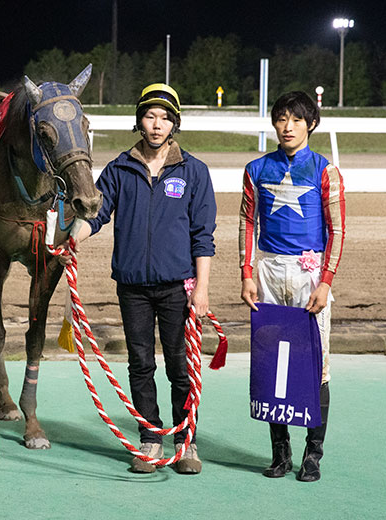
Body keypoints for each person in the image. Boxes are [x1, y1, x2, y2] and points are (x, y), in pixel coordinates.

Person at [67, 83, 217, 474]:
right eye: (150, 116)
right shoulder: (119, 169)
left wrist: (201, 289)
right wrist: (74, 237)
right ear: (139, 120)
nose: (156, 125)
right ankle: (150, 438)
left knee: (179, 366)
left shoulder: (194, 171)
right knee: (140, 364)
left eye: (165, 118)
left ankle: (186, 442)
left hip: (177, 287)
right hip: (132, 287)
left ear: (174, 124)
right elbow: (96, 215)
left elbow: (203, 236)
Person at [239, 90, 345, 482]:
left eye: (297, 119)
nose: (288, 126)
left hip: (309, 276)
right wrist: (247, 273)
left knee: (317, 366)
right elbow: (247, 222)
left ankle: (312, 454)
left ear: (311, 124)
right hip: (267, 272)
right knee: (272, 362)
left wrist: (325, 282)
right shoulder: (256, 169)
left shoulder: (325, 171)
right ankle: (279, 453)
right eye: (282, 118)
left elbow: (337, 231)